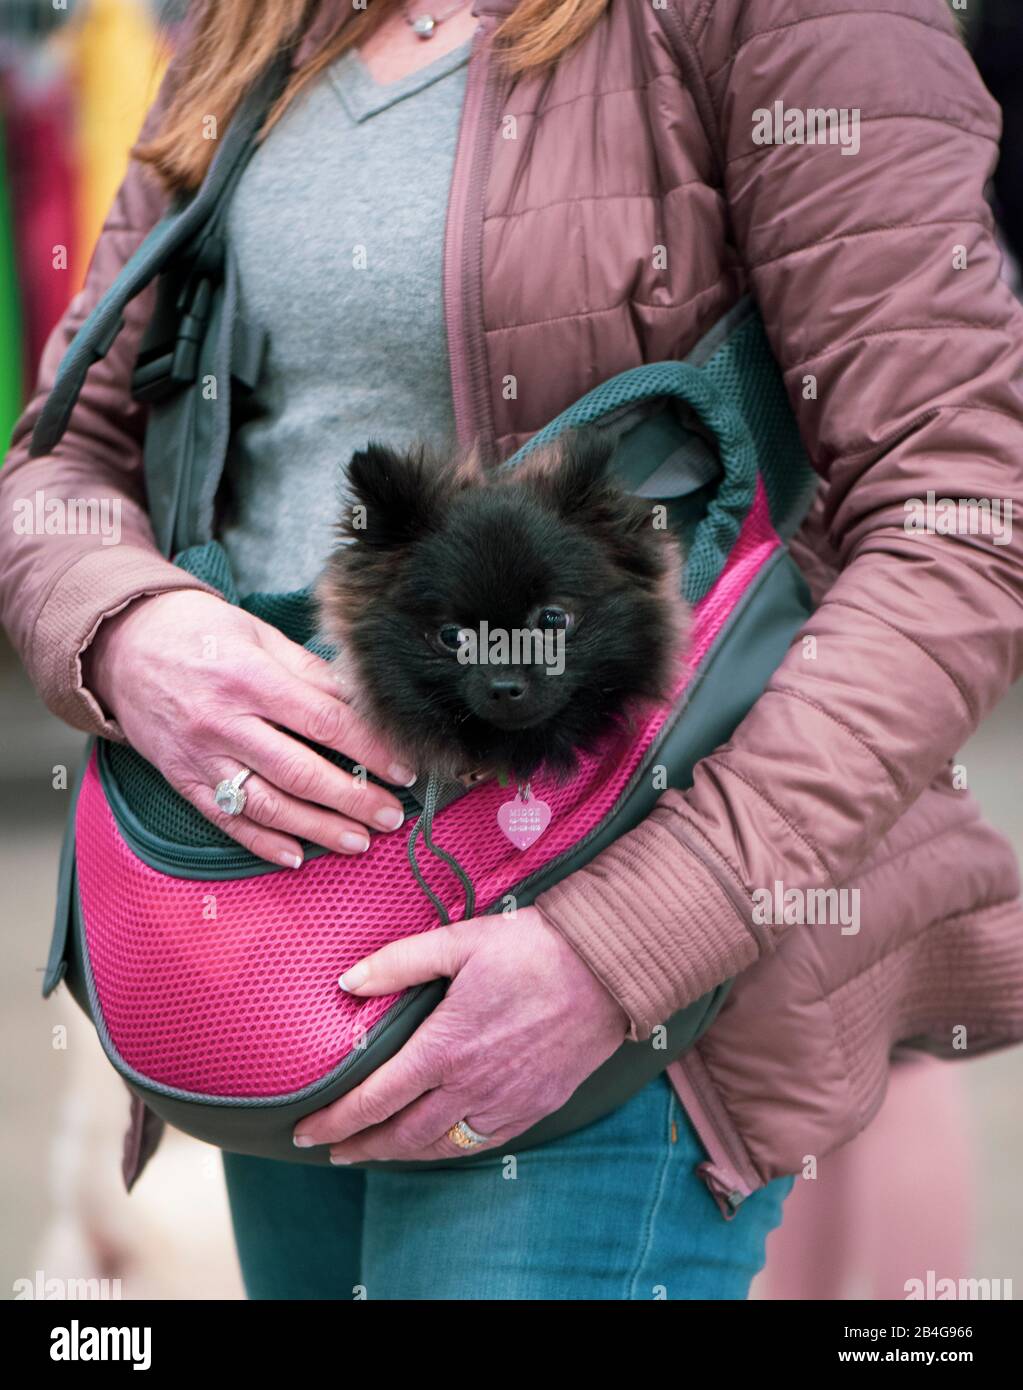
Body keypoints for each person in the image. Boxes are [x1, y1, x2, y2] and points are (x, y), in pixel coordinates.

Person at [3, 0, 1022, 1302]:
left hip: (604, 994)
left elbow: (961, 517)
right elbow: (65, 454)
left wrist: (621, 949)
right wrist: (122, 626)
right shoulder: (259, 20)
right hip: (279, 956)